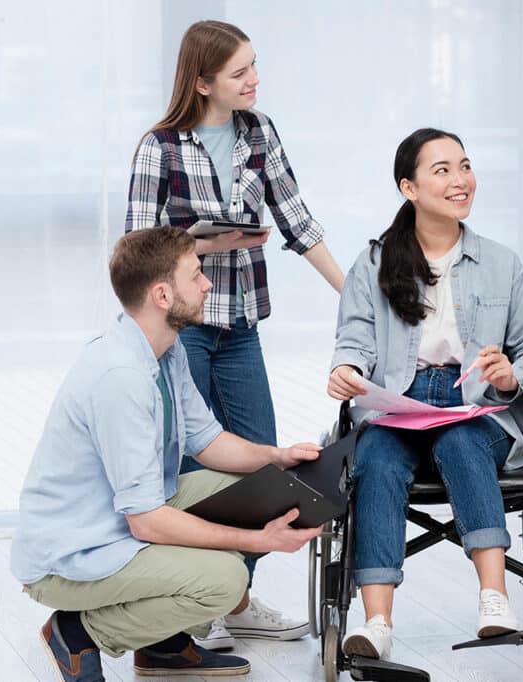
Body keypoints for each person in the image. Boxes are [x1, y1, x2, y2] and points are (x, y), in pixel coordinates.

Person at [10, 227, 323, 682]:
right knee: (225, 578)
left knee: (255, 493)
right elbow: (147, 521)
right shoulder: (120, 376)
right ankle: (77, 632)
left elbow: (206, 439)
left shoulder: (165, 349)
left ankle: (164, 646)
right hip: (73, 551)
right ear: (162, 294)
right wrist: (257, 542)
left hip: (122, 516)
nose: (207, 284)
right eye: (196, 275)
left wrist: (278, 457)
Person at [125, 19, 344, 647]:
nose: (254, 80)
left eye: (254, 66)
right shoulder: (160, 148)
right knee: (196, 464)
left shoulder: (259, 133)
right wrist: (199, 243)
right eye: (239, 72)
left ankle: (234, 597)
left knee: (265, 465)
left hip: (240, 324)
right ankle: (200, 602)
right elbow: (139, 248)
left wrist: (355, 291)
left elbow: (297, 220)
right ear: (201, 82)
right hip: (184, 331)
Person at [327, 128, 523, 661]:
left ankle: (494, 598)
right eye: (443, 170)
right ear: (409, 187)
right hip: (400, 403)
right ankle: (377, 623)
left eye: (465, 166)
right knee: (377, 461)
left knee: (460, 441)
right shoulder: (376, 262)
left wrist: (509, 375)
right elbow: (354, 339)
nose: (461, 180)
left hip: (476, 403)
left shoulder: (501, 262)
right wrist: (347, 369)